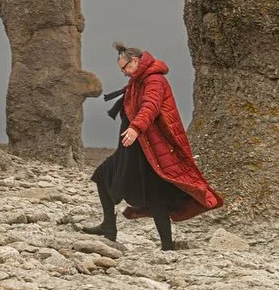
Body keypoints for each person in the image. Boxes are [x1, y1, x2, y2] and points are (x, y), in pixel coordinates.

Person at [82, 42, 223, 250]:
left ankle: (167, 245)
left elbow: (151, 106)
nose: (124, 73)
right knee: (103, 175)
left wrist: (136, 128)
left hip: (150, 147)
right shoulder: (138, 80)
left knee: (156, 194)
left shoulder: (154, 80)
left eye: (125, 68)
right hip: (133, 147)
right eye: (121, 69)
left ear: (136, 61)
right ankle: (109, 227)